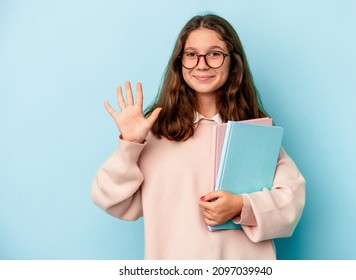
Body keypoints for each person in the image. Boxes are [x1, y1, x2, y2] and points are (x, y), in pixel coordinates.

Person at [91, 14, 305, 259]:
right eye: (191, 55)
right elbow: (108, 199)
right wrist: (129, 144)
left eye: (214, 54)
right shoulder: (155, 132)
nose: (201, 64)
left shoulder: (255, 132)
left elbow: (290, 203)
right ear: (179, 63)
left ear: (232, 63)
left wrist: (241, 206)